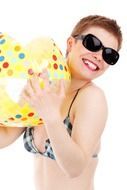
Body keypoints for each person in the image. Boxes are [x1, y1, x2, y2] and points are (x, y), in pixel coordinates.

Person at [0, 15, 122, 190]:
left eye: (110, 55)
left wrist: (51, 117)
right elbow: (5, 136)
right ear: (71, 43)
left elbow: (74, 168)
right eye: (92, 43)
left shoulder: (92, 97)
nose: (99, 56)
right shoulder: (44, 85)